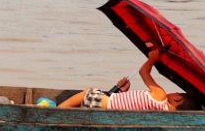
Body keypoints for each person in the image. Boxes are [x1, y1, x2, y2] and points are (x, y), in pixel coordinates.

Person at [57, 45, 197, 111]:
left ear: (178, 98)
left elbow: (143, 72)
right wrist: (123, 91)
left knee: (88, 92)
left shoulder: (161, 96)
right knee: (93, 96)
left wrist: (152, 59)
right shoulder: (161, 113)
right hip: (104, 110)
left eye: (178, 93)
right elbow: (132, 105)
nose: (175, 93)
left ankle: (57, 111)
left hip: (98, 102)